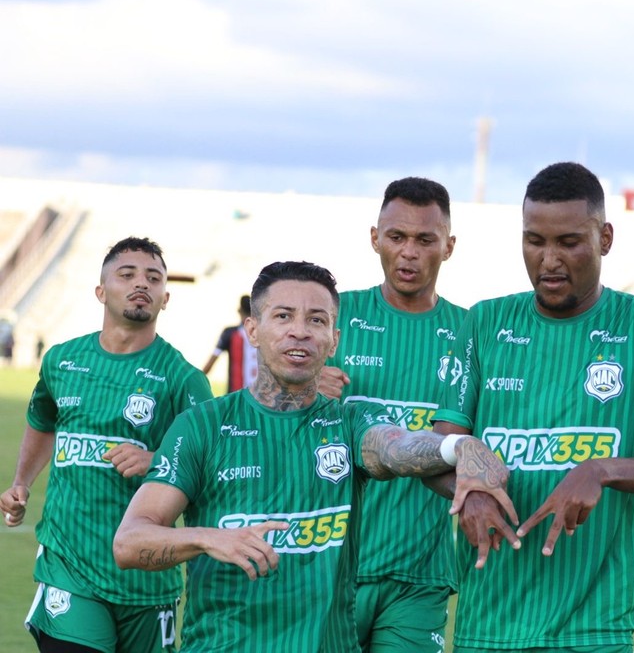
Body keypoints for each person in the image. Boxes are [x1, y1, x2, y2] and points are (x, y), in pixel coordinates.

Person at [113, 261, 516, 653]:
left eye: (317, 320)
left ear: (334, 339)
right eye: (283, 316)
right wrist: (207, 539)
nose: (300, 332)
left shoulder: (350, 421)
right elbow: (130, 542)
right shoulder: (201, 426)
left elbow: (395, 448)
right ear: (252, 329)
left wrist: (456, 446)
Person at [432, 161, 634, 652]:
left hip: (595, 630)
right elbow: (438, 449)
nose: (548, 260)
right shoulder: (483, 324)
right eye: (534, 241)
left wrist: (599, 470)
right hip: (487, 626)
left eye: (569, 243)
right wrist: (467, 490)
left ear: (604, 238)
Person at [0, 237, 214, 653]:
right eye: (127, 274)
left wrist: (157, 460)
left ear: (165, 298)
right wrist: (21, 482)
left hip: (148, 574)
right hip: (70, 566)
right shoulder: (61, 360)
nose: (141, 284)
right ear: (101, 291)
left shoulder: (184, 379)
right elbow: (43, 420)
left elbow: (215, 465)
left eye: (154, 278)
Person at [320, 177, 465, 652]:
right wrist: (297, 388)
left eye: (425, 240)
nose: (409, 252)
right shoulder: (331, 316)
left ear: (448, 246)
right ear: (374, 238)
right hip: (330, 565)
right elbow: (262, 410)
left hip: (419, 575)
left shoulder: (471, 333)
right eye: (397, 237)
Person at [202, 294, 257, 393]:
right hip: (261, 398)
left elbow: (210, 363)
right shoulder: (264, 334)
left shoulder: (230, 333)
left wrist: (195, 380)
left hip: (236, 397)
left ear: (239, 311)